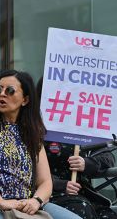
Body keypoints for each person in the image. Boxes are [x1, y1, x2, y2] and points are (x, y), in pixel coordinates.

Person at [0, 69, 81, 219]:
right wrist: (2, 202)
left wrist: (36, 201)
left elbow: (45, 181)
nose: (2, 94)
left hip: (27, 203)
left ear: (25, 100)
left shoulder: (32, 132)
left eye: (10, 90)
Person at [37, 76, 117, 219]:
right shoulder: (34, 129)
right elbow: (26, 169)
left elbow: (108, 157)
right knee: (81, 210)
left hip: (84, 194)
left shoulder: (83, 124)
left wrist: (86, 163)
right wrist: (59, 184)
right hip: (49, 195)